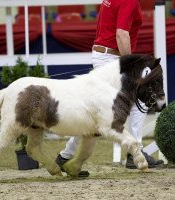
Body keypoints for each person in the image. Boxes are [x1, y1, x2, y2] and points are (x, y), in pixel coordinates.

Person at [55, 0, 164, 177]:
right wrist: (131, 65)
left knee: (94, 115)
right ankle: (133, 152)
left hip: (104, 55)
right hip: (111, 57)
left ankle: (65, 157)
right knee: (135, 102)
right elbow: (121, 34)